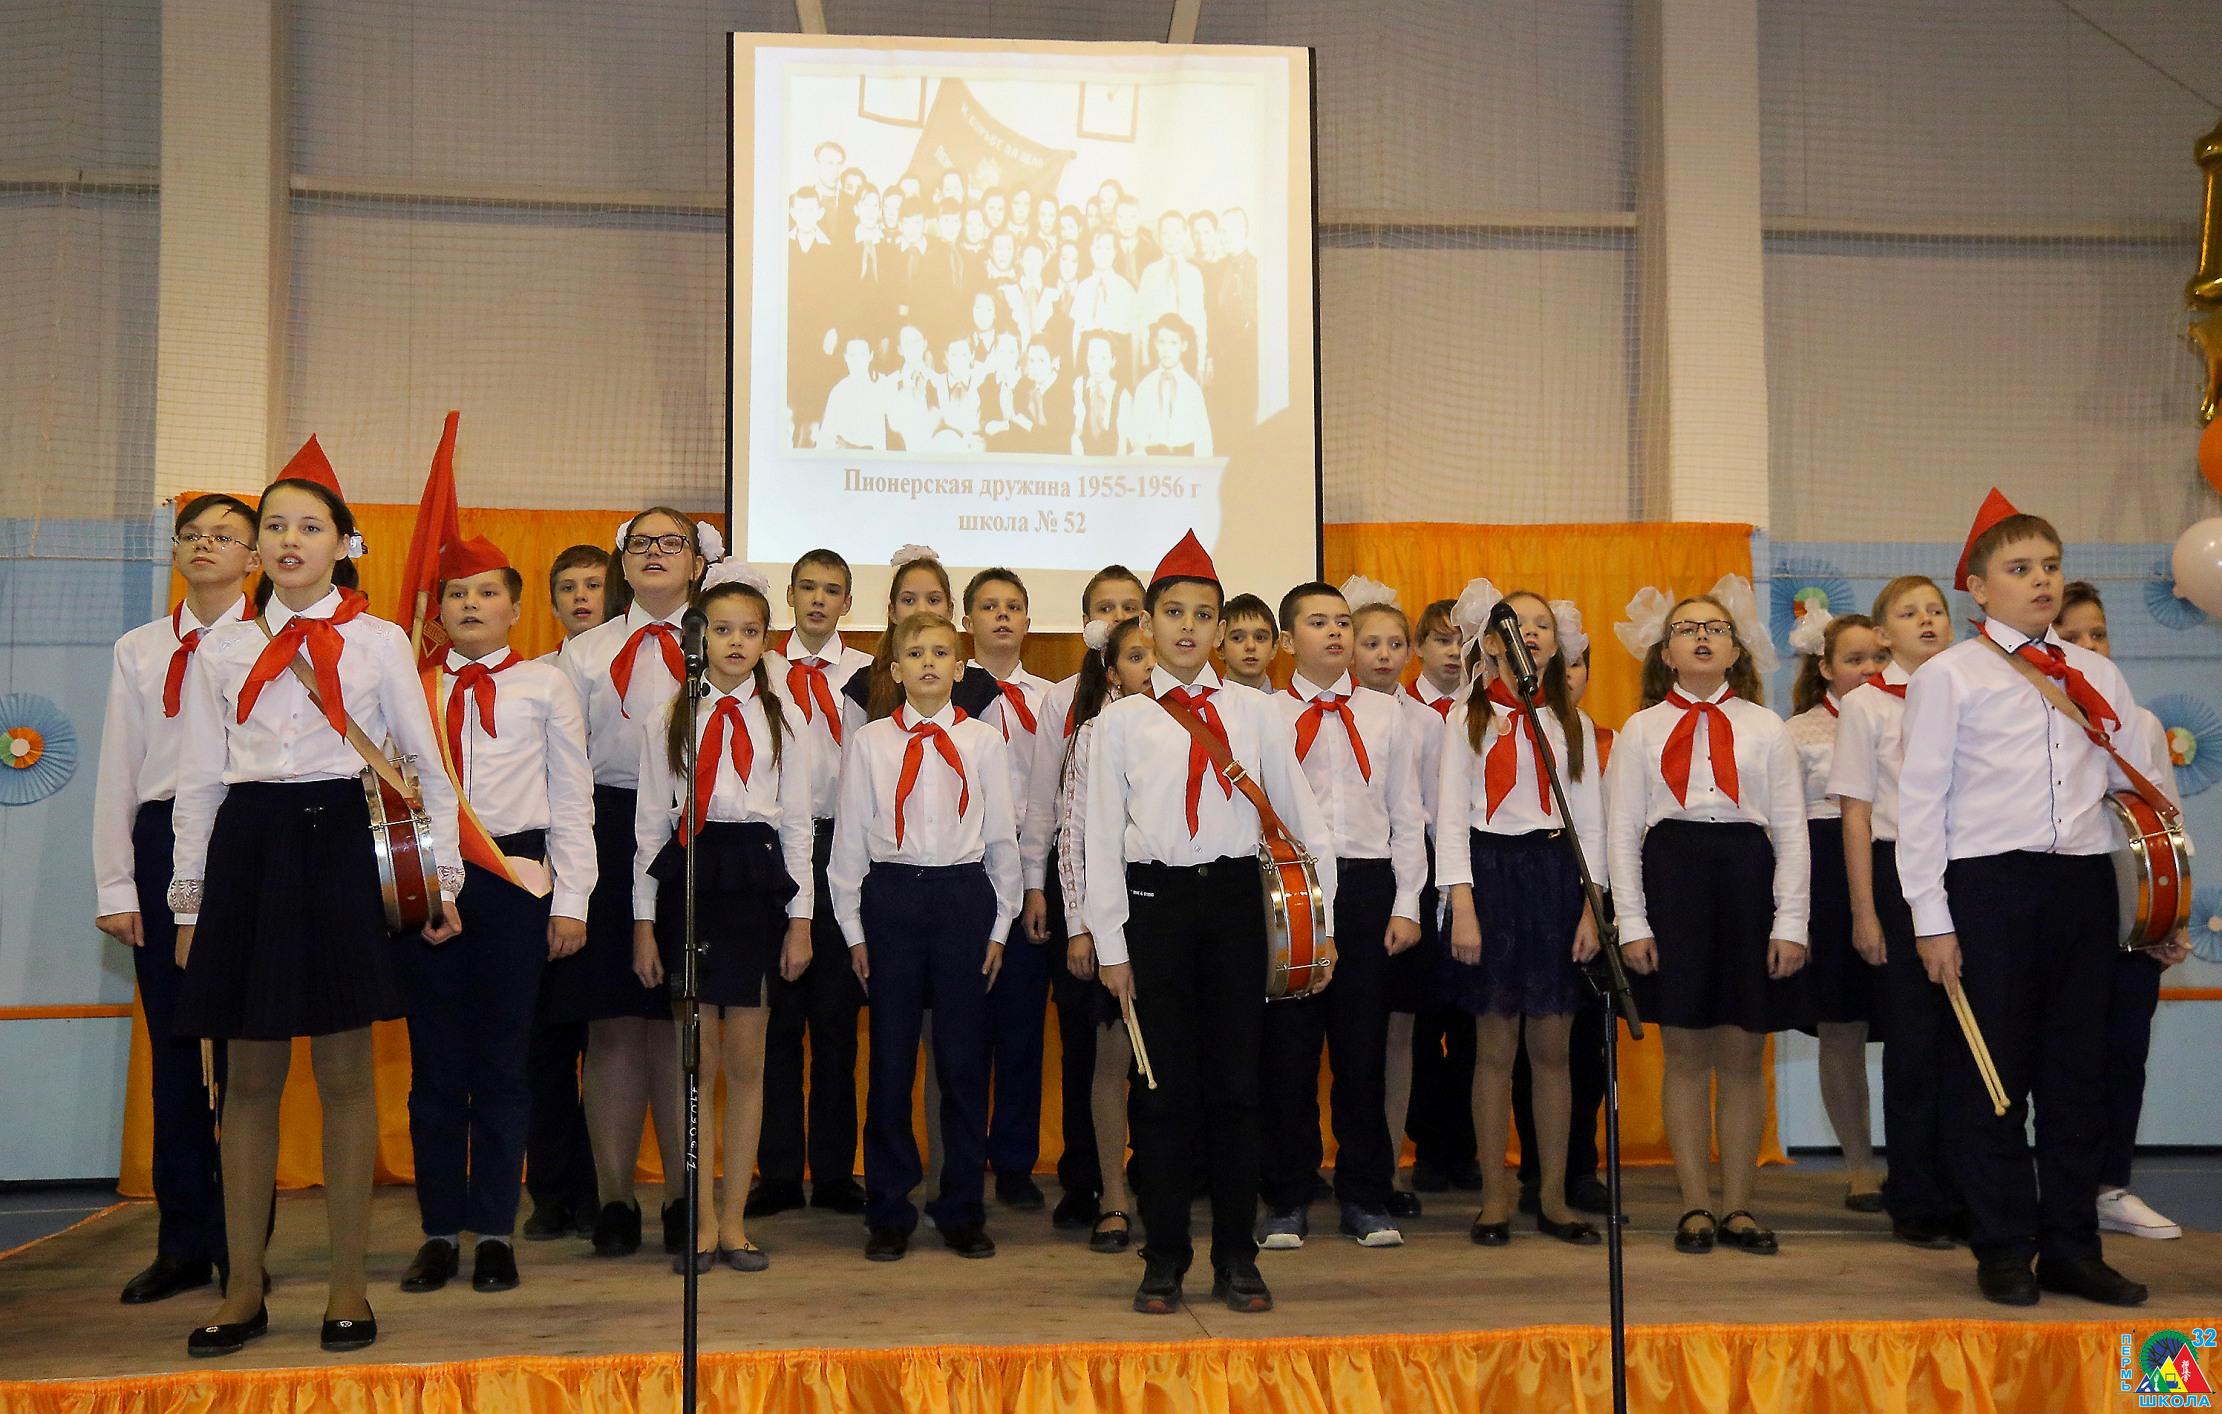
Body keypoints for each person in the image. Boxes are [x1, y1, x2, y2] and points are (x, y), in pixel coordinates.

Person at [170, 452, 464, 1357]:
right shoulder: (221, 647)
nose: (289, 540)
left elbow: (426, 770)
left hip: (342, 843)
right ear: (255, 546)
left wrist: (444, 878)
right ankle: (243, 1290)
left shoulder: (378, 642)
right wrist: (189, 904)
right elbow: (198, 783)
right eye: (274, 526)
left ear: (344, 544)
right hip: (250, 849)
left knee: (344, 1078)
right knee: (248, 1081)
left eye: (310, 526)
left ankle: (347, 1287)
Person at [1898, 490, 2165, 1308]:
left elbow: (2135, 794)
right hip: (1991, 888)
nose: (2042, 581)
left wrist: (2157, 904)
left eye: (2050, 565)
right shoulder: (1949, 676)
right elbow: (1921, 803)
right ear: (1980, 589)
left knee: (2078, 1076)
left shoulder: (2097, 674)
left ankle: (2074, 1247)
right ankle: (2004, 1246)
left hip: (2081, 888)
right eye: (2020, 569)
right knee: (1992, 1077)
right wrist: (1932, 919)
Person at [1082, 530, 1335, 1315]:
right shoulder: (1118, 723)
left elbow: (1305, 824)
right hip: (1154, 908)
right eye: (1173, 613)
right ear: (1147, 625)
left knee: (1236, 1089)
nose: (1188, 627)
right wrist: (1112, 945)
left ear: (1222, 629)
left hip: (1233, 904)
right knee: (1159, 1094)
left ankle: (1236, 1257)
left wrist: (1322, 925)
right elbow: (1098, 839)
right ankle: (1163, 1258)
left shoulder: (1257, 713)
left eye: (1203, 615)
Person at [398, 537, 595, 1296]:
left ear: (515, 608)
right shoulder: (410, 687)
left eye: (486, 593)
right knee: (435, 1068)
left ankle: (493, 1233)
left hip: (517, 883)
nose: (471, 605)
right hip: (429, 887)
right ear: (440, 612)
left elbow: (571, 799)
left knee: (506, 1068)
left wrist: (572, 902)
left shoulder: (546, 686)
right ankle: (438, 1231)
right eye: (457, 594)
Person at [1605, 583, 1808, 1258]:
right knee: (1686, 1050)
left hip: (1747, 878)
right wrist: (1633, 921)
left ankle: (1740, 1206)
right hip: (1673, 877)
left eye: (1715, 628)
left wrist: (1791, 922)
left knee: (1744, 1050)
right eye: (1687, 628)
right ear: (1665, 652)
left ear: (1735, 649)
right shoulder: (1640, 729)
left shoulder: (1766, 727)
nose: (1701, 636)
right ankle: (1694, 1203)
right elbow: (1622, 831)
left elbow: (1791, 831)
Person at [93, 492, 257, 1306]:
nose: (203, 546)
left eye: (223, 536)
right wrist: (116, 883)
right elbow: (118, 769)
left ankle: (245, 1246)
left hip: (254, 839)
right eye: (191, 535)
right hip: (163, 845)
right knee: (175, 1053)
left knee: (250, 1055)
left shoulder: (278, 642)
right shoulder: (141, 647)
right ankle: (185, 1241)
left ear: (255, 557)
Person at [632, 566, 816, 1274]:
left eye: (751, 631)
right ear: (698, 636)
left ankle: (736, 1220)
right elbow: (650, 826)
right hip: (692, 878)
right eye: (722, 629)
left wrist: (800, 920)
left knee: (747, 1060)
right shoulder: (670, 715)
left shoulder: (784, 717)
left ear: (767, 640)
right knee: (697, 1061)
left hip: (756, 881)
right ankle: (702, 1219)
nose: (736, 642)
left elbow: (797, 827)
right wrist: (643, 922)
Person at [830, 611, 1020, 1261]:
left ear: (961, 667)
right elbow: (849, 838)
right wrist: (853, 928)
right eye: (916, 654)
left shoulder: (984, 742)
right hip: (893, 898)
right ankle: (888, 1208)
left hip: (964, 897)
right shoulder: (871, 743)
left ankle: (961, 1206)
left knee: (963, 1062)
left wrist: (1000, 924)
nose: (930, 663)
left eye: (942, 652)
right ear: (895, 670)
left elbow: (1002, 836)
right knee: (890, 1061)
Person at [557, 507, 718, 1260]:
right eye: (640, 544)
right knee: (614, 1023)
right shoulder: (584, 652)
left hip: (698, 828)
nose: (655, 554)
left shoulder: (720, 642)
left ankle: (686, 1197)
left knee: (683, 1019)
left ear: (697, 563)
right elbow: (562, 762)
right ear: (622, 563)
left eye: (671, 543)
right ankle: (615, 1197)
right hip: (608, 824)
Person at [1256, 583, 1426, 1250]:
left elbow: (1406, 814)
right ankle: (1287, 1197)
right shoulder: (1265, 712)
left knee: (1362, 1053)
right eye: (1317, 622)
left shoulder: (1386, 715)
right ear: (1287, 640)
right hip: (1292, 890)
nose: (1334, 633)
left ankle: (1366, 1195)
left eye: (1342, 623)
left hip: (1367, 887)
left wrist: (1407, 904)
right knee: (1289, 1054)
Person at [1439, 586, 1606, 1250]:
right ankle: (1493, 1197)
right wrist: (1463, 905)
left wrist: (1593, 906)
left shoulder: (1571, 722)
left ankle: (1555, 1196)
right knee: (1494, 1048)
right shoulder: (1466, 718)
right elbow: (1451, 817)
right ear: (1491, 642)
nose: (1529, 633)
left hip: (1555, 877)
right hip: (1491, 876)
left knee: (1553, 1049)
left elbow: (1590, 823)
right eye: (1516, 624)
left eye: (1542, 625)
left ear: (1557, 644)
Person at [2052, 579, 2193, 1243]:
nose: (2090, 645)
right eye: (2072, 636)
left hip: (2134, 914)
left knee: (2124, 1052)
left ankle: (2111, 1187)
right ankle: (2055, 1191)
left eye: (2098, 633)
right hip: (2062, 910)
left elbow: (2168, 820)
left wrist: (2173, 913)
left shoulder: (2142, 724)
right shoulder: (2036, 716)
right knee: (2059, 1058)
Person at [1828, 574, 1961, 1249]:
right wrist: (1865, 911)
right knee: (1913, 1044)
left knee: (1970, 1041)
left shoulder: (1972, 691)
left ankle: (1970, 1189)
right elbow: (1855, 813)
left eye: (1936, 610)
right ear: (1883, 634)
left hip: (1968, 869)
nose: (1928, 621)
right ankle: (1915, 1199)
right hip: (1895, 871)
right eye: (1910, 613)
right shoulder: (1866, 705)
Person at [1017, 566, 1149, 1232]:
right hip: (1090, 897)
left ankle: (1157, 1175)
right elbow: (1054, 808)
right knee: (1089, 1045)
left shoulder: (1184, 710)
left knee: (1161, 1050)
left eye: (1132, 608)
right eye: (1106, 608)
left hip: (1160, 898)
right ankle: (1090, 1181)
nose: (1119, 618)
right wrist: (1050, 897)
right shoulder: (1070, 706)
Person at [752, 550, 872, 1218]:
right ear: (790, 597)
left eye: (832, 590)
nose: (819, 600)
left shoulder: (871, 675)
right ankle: (776, 1172)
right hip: (776, 850)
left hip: (846, 849)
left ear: (848, 603)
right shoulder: (761, 669)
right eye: (808, 588)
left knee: (835, 1020)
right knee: (775, 1022)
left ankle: (832, 1172)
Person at [521, 544, 622, 1241]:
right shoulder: (530, 678)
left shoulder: (643, 664)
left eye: (593, 584)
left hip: (616, 844)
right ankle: (552, 1189)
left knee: (612, 1036)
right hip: (548, 859)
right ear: (551, 602)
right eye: (567, 587)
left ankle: (607, 1190)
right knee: (548, 1040)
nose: (582, 597)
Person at [1781, 609, 1889, 1215]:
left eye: (1878, 657)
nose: (1870, 669)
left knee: (1914, 1028)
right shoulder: (1797, 733)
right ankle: (1860, 1168)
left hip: (1899, 871)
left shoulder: (1911, 718)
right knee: (1841, 1026)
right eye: (1854, 660)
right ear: (1824, 668)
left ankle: (1922, 1164)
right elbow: (1783, 830)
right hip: (1827, 880)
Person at [1057, 614, 1156, 1254]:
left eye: (1156, 655)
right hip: (1115, 913)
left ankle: (1163, 1189)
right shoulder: (1094, 734)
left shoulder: (1197, 722)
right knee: (1113, 1059)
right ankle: (1113, 1198)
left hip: (1178, 912)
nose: (1150, 667)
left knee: (1170, 1064)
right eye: (1136, 657)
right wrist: (1082, 925)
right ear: (1113, 672)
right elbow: (1075, 835)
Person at [962, 569, 1057, 1210]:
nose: (1002, 616)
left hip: (1031, 866)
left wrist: (1035, 875)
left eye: (1013, 607)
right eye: (989, 607)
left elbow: (1052, 794)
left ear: (1028, 621)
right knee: (965, 1029)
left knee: (1022, 1027)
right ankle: (963, 1161)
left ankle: (1017, 1162)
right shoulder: (944, 691)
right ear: (966, 621)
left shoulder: (1050, 699)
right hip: (963, 869)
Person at [1346, 591, 1430, 1218]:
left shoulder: (1419, 722)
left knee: (1383, 1039)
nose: (1382, 654)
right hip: (1316, 884)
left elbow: (1421, 813)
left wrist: (1411, 900)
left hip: (1395, 881)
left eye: (1394, 643)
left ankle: (1382, 1173)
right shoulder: (1287, 713)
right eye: (1369, 642)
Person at [1400, 598, 1482, 1196]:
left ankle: (1468, 1145)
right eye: (1441, 640)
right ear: (1418, 649)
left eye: (1463, 641)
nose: (1454, 652)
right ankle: (1429, 1144)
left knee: (1476, 1022)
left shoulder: (1488, 712)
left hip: (1480, 871)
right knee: (1421, 1023)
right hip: (1417, 868)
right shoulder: (1399, 712)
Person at [1123, 316, 1213, 457]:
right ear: (1155, 343)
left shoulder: (1192, 389)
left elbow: (1203, 438)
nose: (1166, 350)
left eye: (1173, 343)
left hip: (1184, 461)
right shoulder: (1145, 386)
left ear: (1184, 346)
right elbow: (1136, 432)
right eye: (1162, 342)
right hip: (1151, 461)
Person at [1135, 209, 1208, 375]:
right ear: (1158, 237)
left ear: (1185, 235)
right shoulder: (1150, 272)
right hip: (1157, 349)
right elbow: (1143, 318)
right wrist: (1145, 358)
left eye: (1176, 232)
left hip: (1187, 349)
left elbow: (1200, 320)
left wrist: (1201, 363)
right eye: (1165, 233)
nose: (1171, 238)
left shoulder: (1194, 274)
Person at [818, 340, 886, 451]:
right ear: (845, 357)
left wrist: (851, 447)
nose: (857, 361)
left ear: (871, 356)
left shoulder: (881, 387)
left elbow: (881, 442)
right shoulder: (838, 392)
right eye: (852, 355)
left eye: (862, 355)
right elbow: (826, 437)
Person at [1070, 332, 1129, 457]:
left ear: (1113, 361)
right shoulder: (1080, 385)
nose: (1097, 365)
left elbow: (1122, 440)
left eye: (1103, 358)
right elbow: (1077, 430)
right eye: (1092, 358)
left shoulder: (1122, 395)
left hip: (1111, 460)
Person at [1218, 593, 1279, 692]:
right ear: (1220, 649)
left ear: (1274, 648)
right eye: (1237, 638)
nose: (1250, 646)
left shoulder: (1289, 702)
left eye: (1260, 637)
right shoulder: (1204, 701)